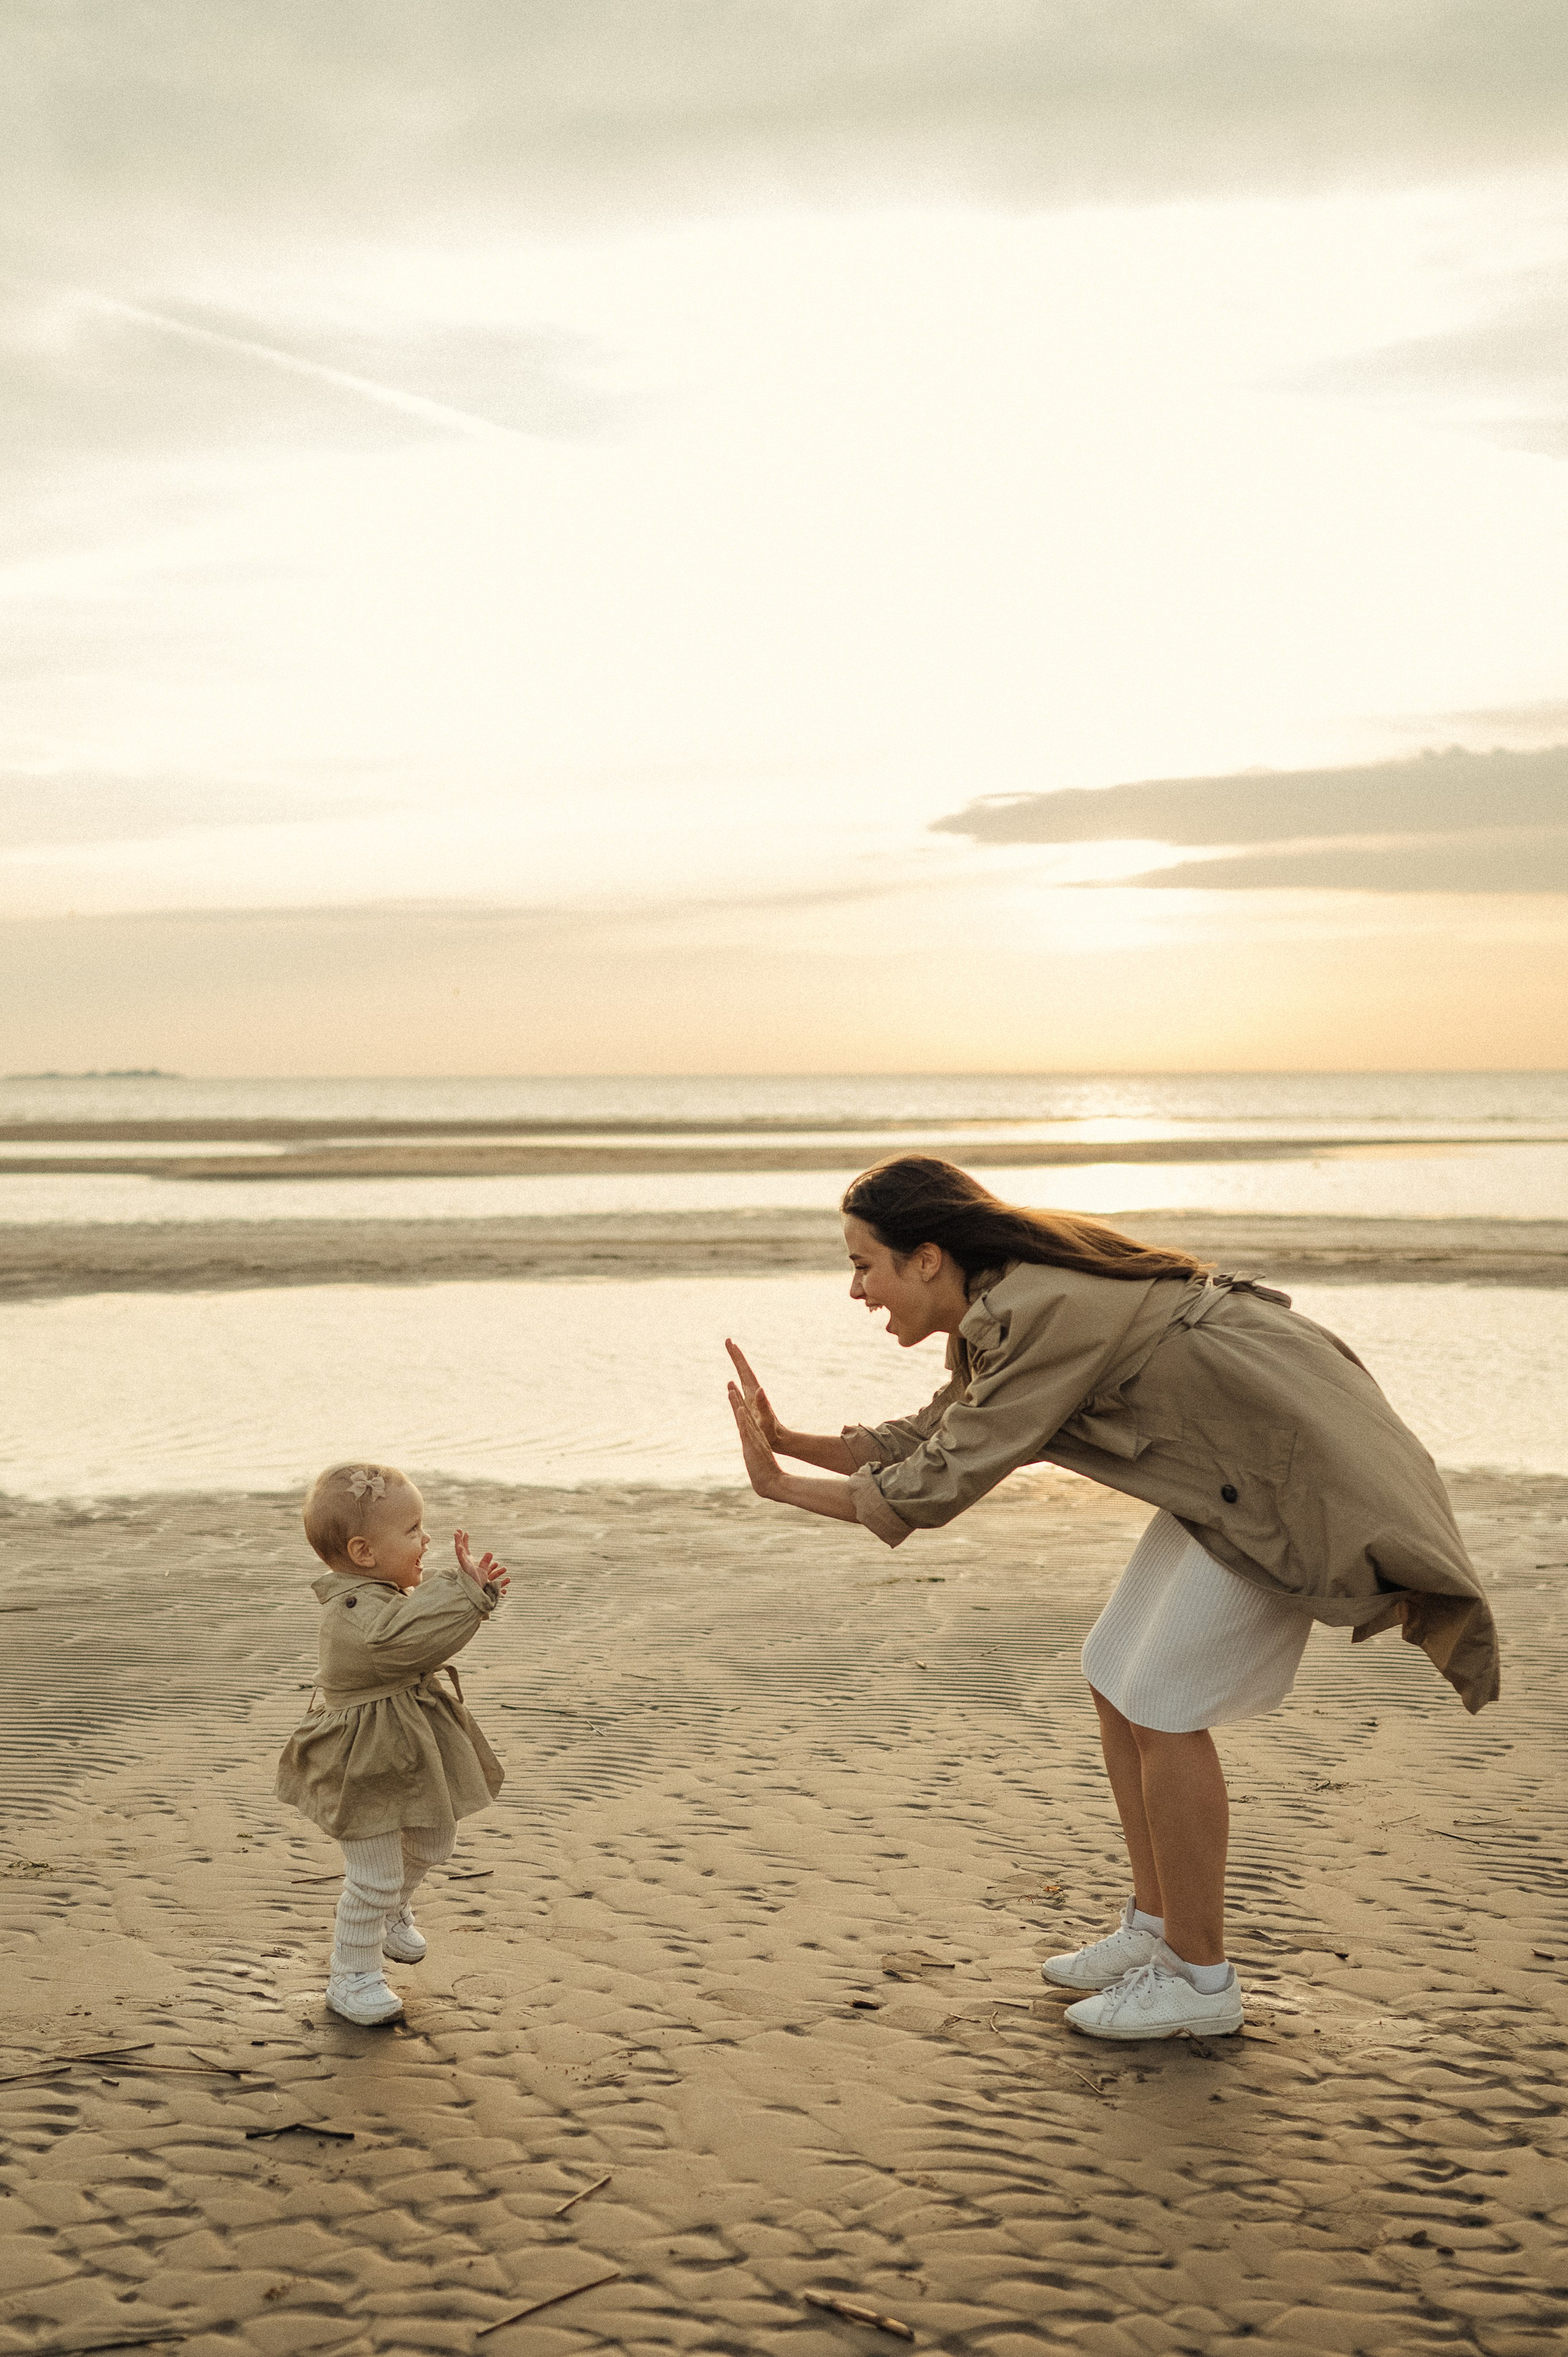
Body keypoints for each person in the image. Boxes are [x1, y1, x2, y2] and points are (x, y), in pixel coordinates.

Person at [726, 1155, 1498, 2043]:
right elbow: (943, 1430)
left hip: (1290, 1480)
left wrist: (779, 1486)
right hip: (1227, 1476)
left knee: (1165, 1703)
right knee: (1113, 1670)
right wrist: (789, 1441)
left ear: (928, 1257)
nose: (857, 1289)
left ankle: (1200, 1981)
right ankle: (1158, 1930)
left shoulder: (1041, 1308)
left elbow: (937, 1484)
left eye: (865, 1264)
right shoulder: (1005, 1302)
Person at [276, 1462, 509, 2026]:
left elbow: (417, 1620)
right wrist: (466, 1597)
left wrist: (469, 1592)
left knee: (434, 1836)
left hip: (403, 1743)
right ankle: (352, 1976)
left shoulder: (381, 1594)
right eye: (411, 1531)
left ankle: (391, 1909)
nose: (425, 1539)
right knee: (373, 1874)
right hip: (362, 1760)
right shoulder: (356, 1613)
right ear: (362, 1552)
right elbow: (412, 1640)